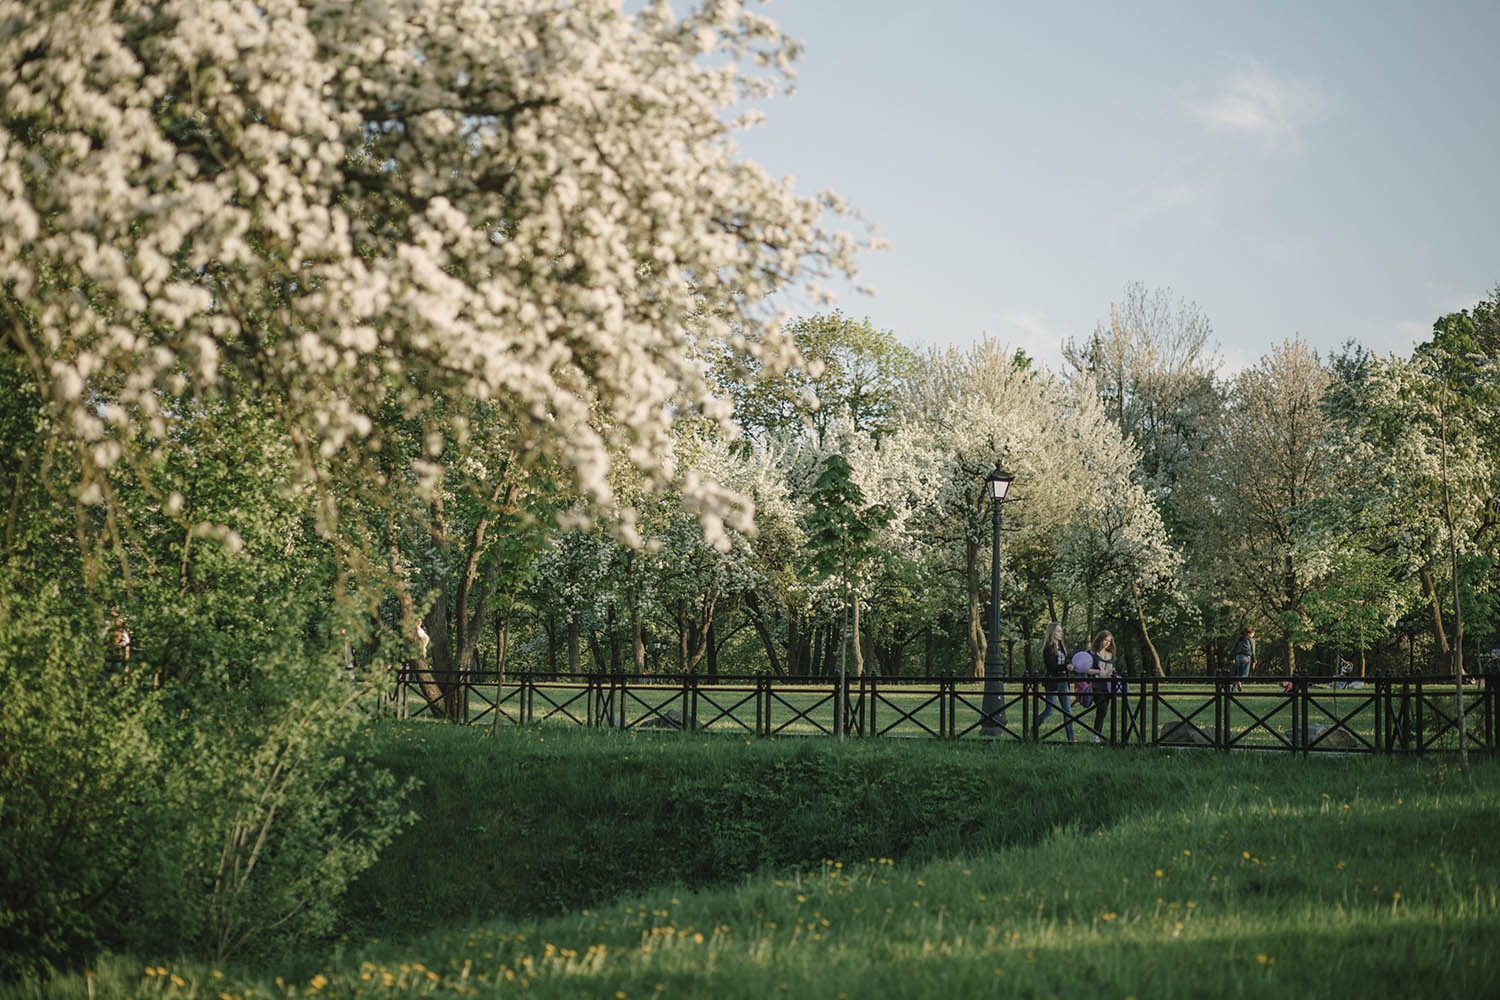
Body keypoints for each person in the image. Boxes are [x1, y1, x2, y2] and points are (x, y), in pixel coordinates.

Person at [1071, 630, 1117, 743]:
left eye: (1109, 641)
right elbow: (1083, 668)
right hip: (1095, 686)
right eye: (1105, 640)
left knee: (1103, 711)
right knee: (1102, 708)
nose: (1107, 643)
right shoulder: (1091, 653)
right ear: (1100, 639)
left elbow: (1113, 669)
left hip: (1108, 687)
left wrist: (1112, 673)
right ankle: (1096, 735)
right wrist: (1098, 672)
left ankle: (1097, 734)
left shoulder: (1111, 655)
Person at [1036, 623, 1076, 742]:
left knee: (1068, 711)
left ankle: (1071, 738)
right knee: (1049, 711)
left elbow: (1065, 662)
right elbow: (1052, 667)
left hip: (1063, 681)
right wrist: (1066, 666)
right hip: (1053, 682)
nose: (1061, 633)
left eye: (1061, 631)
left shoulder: (1062, 646)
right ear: (1052, 632)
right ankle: (1033, 729)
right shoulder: (1048, 648)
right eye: (1058, 631)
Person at [1230, 626, 1256, 693]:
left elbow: (1233, 649)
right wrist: (1254, 660)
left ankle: (1232, 689)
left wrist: (1232, 658)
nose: (1253, 635)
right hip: (1246, 657)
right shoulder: (1251, 640)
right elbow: (1253, 651)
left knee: (1238, 674)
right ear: (1250, 633)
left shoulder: (1239, 639)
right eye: (1253, 633)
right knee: (1245, 675)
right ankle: (1239, 682)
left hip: (1238, 657)